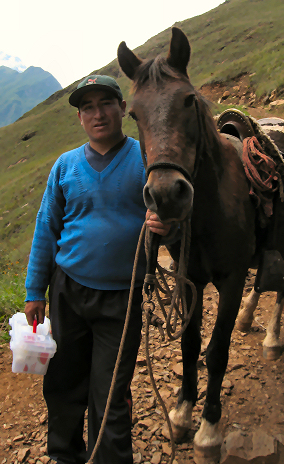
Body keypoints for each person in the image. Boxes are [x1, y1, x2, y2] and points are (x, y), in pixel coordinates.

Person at [24, 75, 171, 464]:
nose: (98, 113)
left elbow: (172, 220)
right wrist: (34, 291)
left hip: (121, 298)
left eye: (106, 102)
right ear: (79, 118)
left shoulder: (145, 160)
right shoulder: (65, 166)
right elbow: (46, 228)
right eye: (87, 107)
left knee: (110, 390)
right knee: (63, 381)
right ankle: (64, 455)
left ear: (123, 108)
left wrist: (167, 226)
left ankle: (109, 458)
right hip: (68, 292)